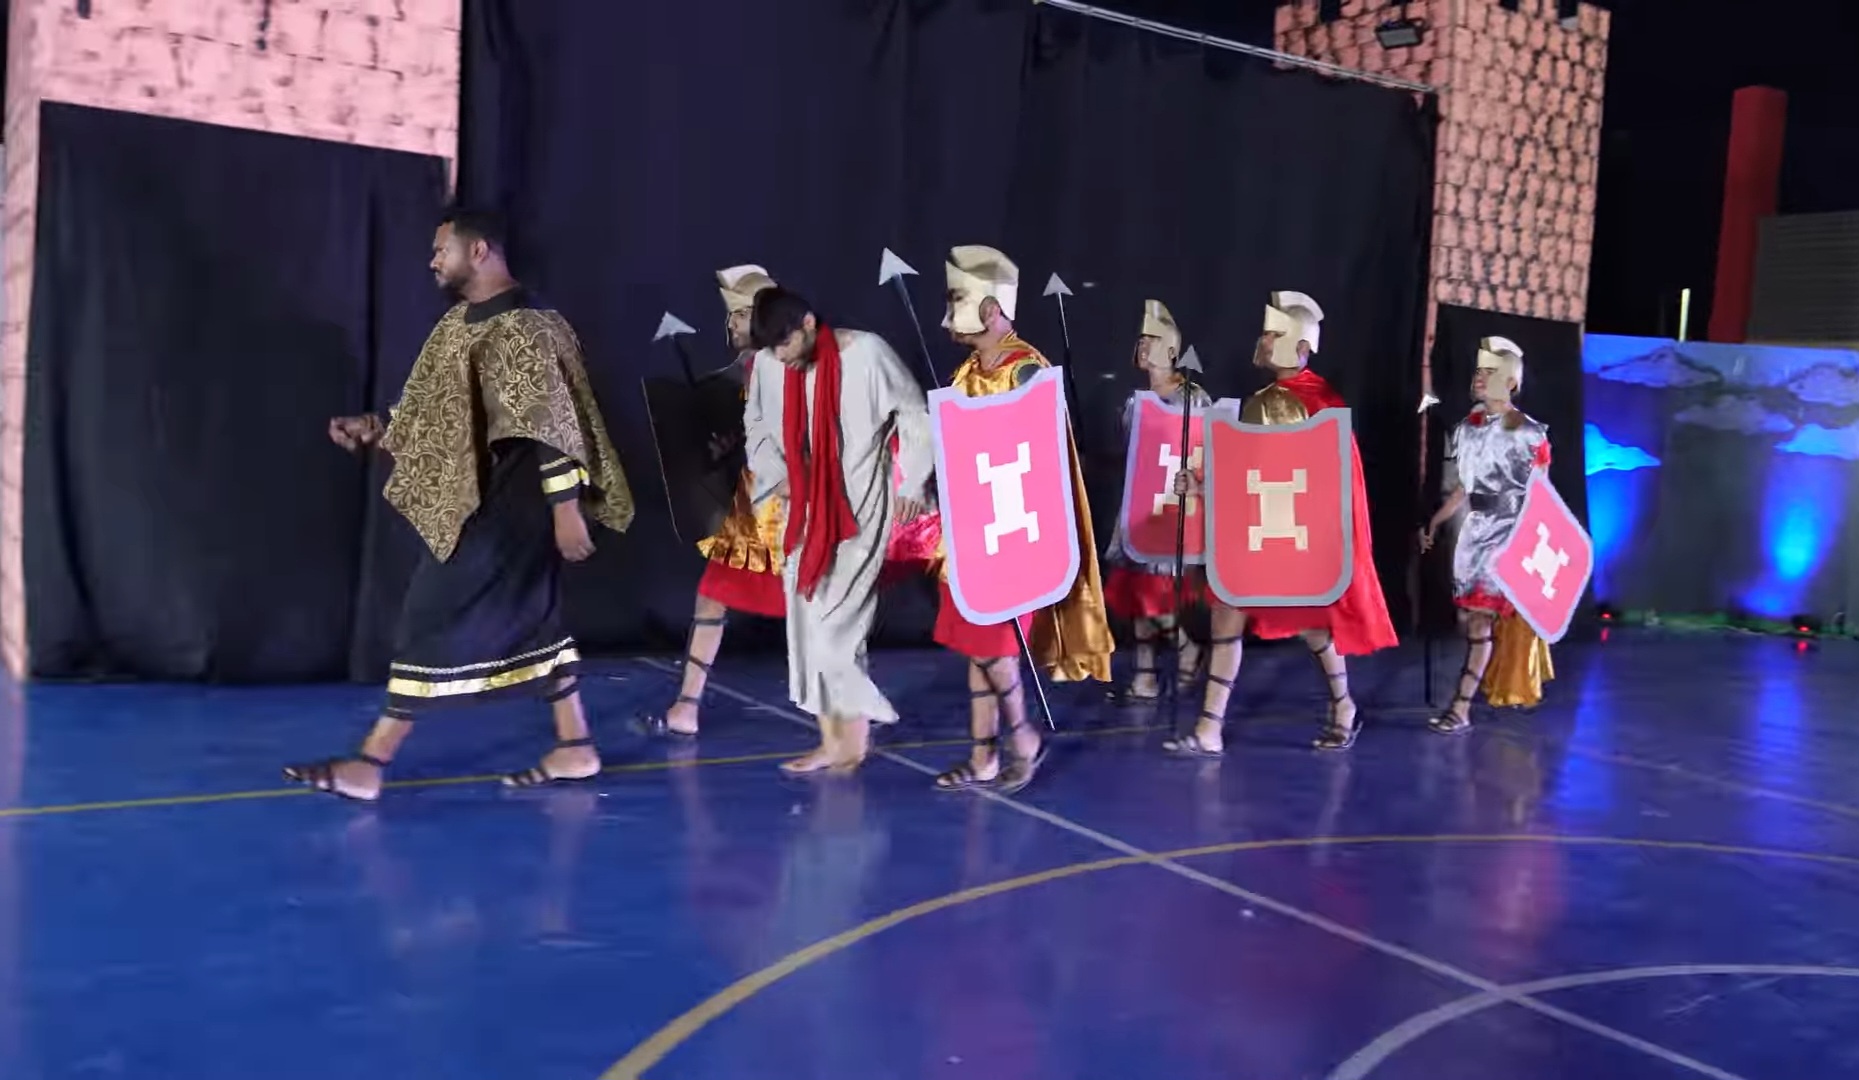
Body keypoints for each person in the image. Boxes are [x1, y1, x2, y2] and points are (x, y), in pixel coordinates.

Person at [285, 207, 633, 801]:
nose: (432, 261)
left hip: (512, 509)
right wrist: (377, 426)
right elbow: (437, 411)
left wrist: (565, 508)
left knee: (429, 617)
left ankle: (370, 763)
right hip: (485, 502)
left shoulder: (527, 326)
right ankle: (576, 746)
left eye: (440, 249)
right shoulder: (458, 325)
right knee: (535, 621)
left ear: (478, 251)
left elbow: (552, 424)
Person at [1164, 291, 1396, 757]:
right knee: (1229, 614)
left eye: (1273, 333)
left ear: (1300, 345)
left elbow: (1275, 477)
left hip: (1287, 533)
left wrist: (1206, 486)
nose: (1264, 340)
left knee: (1312, 625)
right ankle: (1210, 728)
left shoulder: (1297, 402)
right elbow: (1252, 474)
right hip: (1263, 531)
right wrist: (1202, 484)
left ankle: (1344, 706)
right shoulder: (1304, 399)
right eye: (1266, 331)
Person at [929, 245, 1113, 793]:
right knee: (975, 646)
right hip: (971, 535)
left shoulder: (1027, 369)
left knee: (993, 646)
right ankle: (983, 756)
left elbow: (1045, 454)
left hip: (1013, 534)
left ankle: (1023, 738)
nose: (949, 315)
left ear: (990, 309)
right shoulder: (967, 371)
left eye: (958, 301)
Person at [740, 286, 933, 773]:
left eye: (785, 343)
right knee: (806, 626)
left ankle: (859, 731)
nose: (780, 356)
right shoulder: (770, 365)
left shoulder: (867, 353)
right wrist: (775, 474)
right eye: (771, 348)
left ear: (808, 324)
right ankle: (833, 742)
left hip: (860, 506)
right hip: (803, 510)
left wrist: (912, 480)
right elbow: (756, 423)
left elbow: (914, 413)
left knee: (838, 627)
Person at [638, 265, 788, 739]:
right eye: (731, 316)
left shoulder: (789, 367)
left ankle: (853, 710)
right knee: (713, 593)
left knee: (827, 607)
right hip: (755, 509)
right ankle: (686, 706)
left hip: (793, 507)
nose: (731, 325)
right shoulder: (742, 373)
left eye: (740, 316)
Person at [1419, 336, 1555, 731]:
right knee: (1470, 621)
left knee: (1478, 624)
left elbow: (1540, 494)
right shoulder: (1469, 429)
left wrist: (1530, 545)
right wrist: (1436, 521)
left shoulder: (1530, 434)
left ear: (1510, 381)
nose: (1479, 378)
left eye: (1490, 371)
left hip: (1509, 536)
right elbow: (1464, 487)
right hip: (1475, 534)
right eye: (1478, 370)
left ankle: (1460, 708)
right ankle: (1469, 695)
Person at [1103, 299, 1209, 704]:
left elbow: (1207, 450)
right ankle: (1145, 675)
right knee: (1135, 594)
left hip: (1173, 509)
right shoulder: (1136, 401)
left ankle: (1187, 648)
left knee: (1155, 596)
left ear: (1172, 349)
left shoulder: (1193, 398)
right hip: (1138, 507)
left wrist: (1196, 484)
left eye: (1153, 339)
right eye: (1142, 338)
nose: (1144, 345)